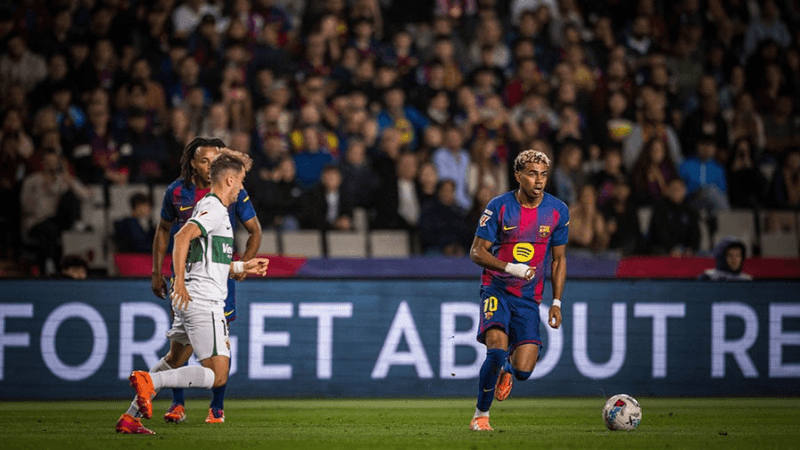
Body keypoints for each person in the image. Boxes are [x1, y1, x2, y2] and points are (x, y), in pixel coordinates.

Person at [117, 148, 269, 435]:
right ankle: (152, 383)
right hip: (202, 301)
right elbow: (181, 235)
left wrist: (242, 267)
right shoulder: (213, 210)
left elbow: (209, 263)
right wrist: (180, 284)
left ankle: (130, 417)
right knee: (217, 375)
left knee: (174, 360)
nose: (241, 188)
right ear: (228, 181)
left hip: (192, 299)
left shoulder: (211, 209)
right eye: (240, 181)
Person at [468, 149, 568, 431]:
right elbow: (476, 252)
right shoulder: (499, 206)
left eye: (544, 175)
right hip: (496, 288)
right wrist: (510, 268)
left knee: (524, 371)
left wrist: (557, 302)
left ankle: (508, 372)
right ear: (518, 176)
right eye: (533, 174)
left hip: (528, 298)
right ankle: (481, 416)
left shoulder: (558, 210)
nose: (539, 180)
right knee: (497, 350)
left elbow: (558, 259)